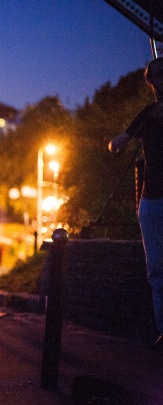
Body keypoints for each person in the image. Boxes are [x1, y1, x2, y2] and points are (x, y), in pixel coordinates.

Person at [109, 57, 163, 352]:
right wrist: (116, 144)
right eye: (154, 78)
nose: (158, 83)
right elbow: (120, 139)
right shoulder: (148, 114)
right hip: (153, 200)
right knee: (156, 270)